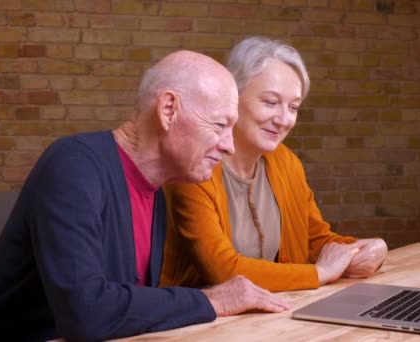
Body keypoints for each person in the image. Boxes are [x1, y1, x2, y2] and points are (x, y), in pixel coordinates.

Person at [0, 50, 289, 342]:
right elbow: (86, 313)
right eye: (219, 124)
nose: (229, 145)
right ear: (168, 109)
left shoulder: (158, 192)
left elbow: (129, 306)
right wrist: (214, 300)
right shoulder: (73, 165)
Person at [160, 37, 388, 293]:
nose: (283, 119)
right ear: (232, 96)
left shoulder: (286, 162)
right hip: (200, 325)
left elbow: (317, 241)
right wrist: (320, 273)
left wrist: (368, 248)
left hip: (271, 316)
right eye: (270, 102)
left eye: (293, 107)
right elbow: (222, 270)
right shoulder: (195, 166)